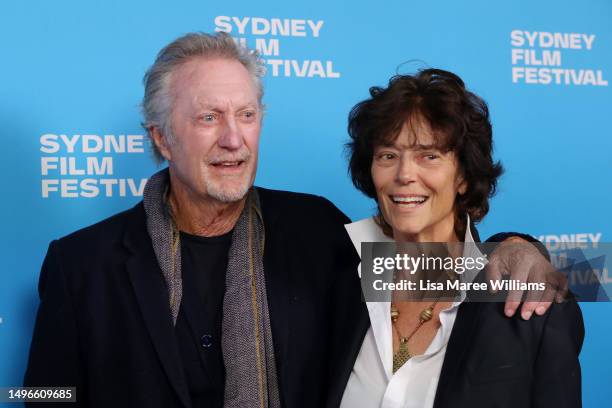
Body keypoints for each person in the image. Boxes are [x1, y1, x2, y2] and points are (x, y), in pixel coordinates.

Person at [23, 33, 565, 408]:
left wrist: (518, 245)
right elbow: (44, 395)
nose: (232, 138)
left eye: (246, 115)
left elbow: (451, 275)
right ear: (161, 138)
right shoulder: (79, 264)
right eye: (208, 117)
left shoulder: (319, 234)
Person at [338, 69, 583, 408]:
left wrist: (516, 244)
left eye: (430, 155)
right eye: (388, 156)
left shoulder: (530, 299)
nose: (405, 174)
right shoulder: (339, 287)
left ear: (464, 177)